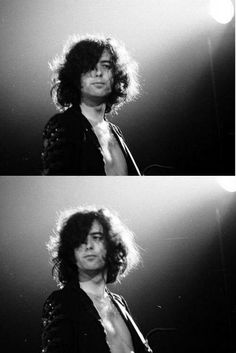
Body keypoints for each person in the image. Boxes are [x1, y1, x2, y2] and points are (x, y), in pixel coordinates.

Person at [41, 206, 153, 353]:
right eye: (80, 241)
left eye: (96, 238)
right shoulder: (63, 302)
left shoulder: (119, 303)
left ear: (112, 246)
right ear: (70, 252)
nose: (88, 246)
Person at [41, 34, 141, 175]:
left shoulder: (116, 132)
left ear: (117, 75)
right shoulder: (63, 125)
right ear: (75, 76)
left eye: (106, 66)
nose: (98, 73)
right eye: (89, 66)